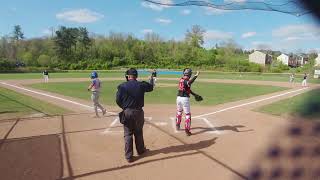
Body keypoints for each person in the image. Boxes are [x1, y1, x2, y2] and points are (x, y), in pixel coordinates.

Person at [116, 68, 154, 163]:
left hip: (127, 112)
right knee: (138, 132)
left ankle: (129, 156)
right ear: (136, 76)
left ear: (128, 76)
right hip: (139, 112)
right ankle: (140, 151)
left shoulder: (122, 86)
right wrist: (152, 78)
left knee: (128, 134)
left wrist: (125, 107)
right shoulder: (141, 85)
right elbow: (151, 87)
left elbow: (117, 100)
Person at [176, 68, 200, 136]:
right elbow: (189, 83)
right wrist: (196, 76)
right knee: (187, 114)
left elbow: (187, 89)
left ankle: (177, 125)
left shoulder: (181, 79)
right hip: (184, 99)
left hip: (178, 98)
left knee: (179, 112)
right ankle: (187, 129)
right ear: (189, 74)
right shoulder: (186, 80)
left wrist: (194, 95)